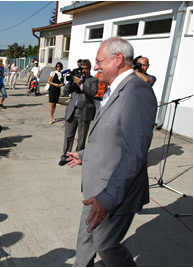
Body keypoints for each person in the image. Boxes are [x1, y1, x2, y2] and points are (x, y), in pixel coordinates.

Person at [66, 37, 157, 266]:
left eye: (99, 61)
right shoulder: (114, 88)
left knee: (105, 245)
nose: (95, 66)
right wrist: (84, 155)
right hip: (95, 187)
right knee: (86, 238)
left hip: (113, 191)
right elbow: (110, 136)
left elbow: (134, 154)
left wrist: (107, 199)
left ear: (118, 59)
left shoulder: (137, 92)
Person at [59, 59, 98, 166]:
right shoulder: (75, 79)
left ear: (89, 69)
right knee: (68, 136)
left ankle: (79, 156)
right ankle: (65, 156)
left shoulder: (93, 80)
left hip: (85, 111)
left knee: (81, 137)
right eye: (82, 68)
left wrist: (81, 85)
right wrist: (71, 81)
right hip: (73, 110)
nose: (83, 71)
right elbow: (66, 92)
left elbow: (92, 92)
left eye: (86, 69)